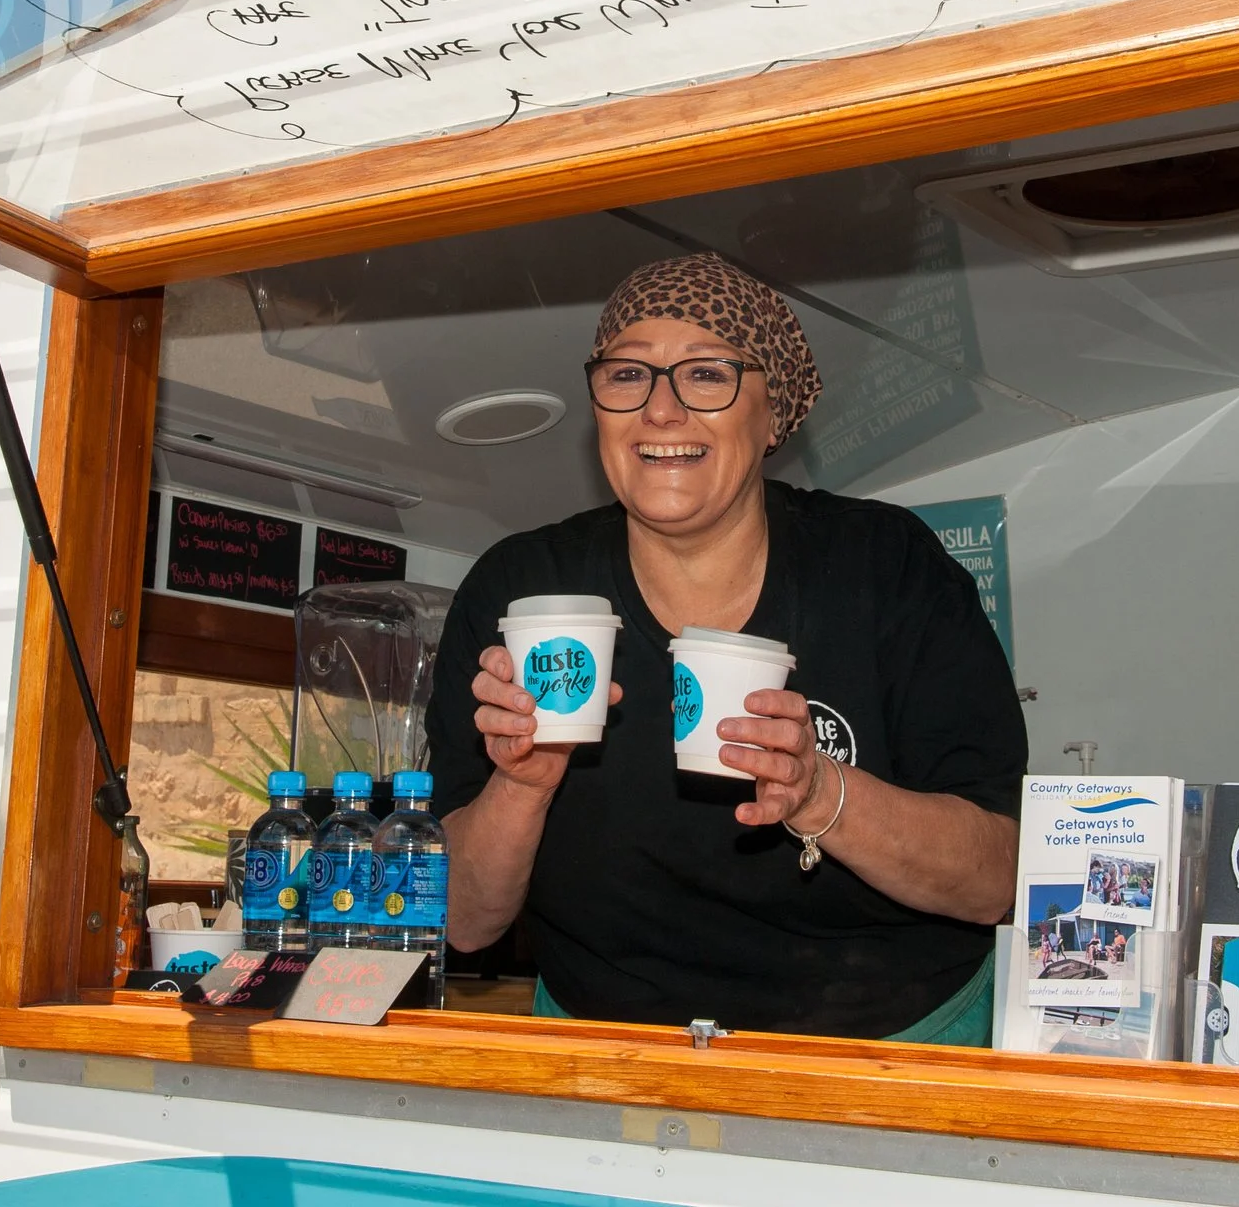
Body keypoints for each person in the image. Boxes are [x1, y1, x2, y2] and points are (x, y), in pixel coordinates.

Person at [427, 252, 1026, 1043]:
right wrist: (523, 786)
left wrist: (820, 793)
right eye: (627, 375)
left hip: (888, 1041)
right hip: (610, 1042)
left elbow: (998, 879)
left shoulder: (885, 568)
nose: (661, 410)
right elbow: (465, 923)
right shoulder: (522, 590)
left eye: (706, 375)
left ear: (773, 413)